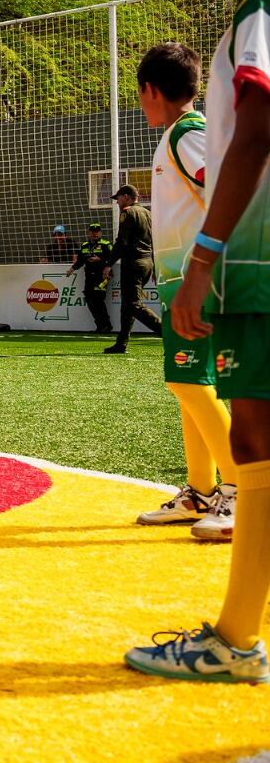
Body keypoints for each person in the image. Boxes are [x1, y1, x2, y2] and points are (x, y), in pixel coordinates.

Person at [126, 0, 270, 684]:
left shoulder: (257, 13)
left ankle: (236, 635)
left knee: (251, 433)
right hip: (234, 262)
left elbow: (250, 139)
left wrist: (204, 260)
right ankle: (235, 623)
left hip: (245, 264)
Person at [129, 43, 238, 537]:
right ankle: (202, 490)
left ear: (151, 90)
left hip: (201, 282)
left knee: (188, 382)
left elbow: (229, 187)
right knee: (189, 386)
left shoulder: (187, 135)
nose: (140, 104)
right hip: (185, 282)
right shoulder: (180, 134)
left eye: (139, 95)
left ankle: (242, 492)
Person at [105, 183, 164, 353]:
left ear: (126, 196)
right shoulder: (148, 213)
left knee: (132, 305)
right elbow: (154, 241)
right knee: (128, 305)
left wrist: (109, 263)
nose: (117, 202)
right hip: (147, 263)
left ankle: (168, 334)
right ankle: (121, 343)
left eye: (118, 198)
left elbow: (121, 242)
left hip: (133, 263)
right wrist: (154, 264)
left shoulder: (128, 212)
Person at [70, 222, 115, 333]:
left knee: (98, 300)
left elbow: (113, 258)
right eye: (92, 232)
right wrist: (73, 268)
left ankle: (107, 326)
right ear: (88, 233)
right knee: (90, 301)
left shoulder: (107, 244)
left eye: (97, 231)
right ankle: (100, 326)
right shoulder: (84, 245)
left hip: (102, 276)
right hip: (89, 277)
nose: (95, 234)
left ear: (100, 233)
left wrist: (100, 260)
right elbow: (80, 260)